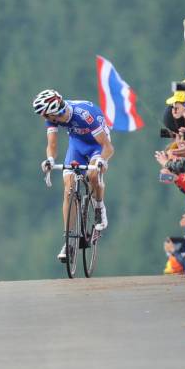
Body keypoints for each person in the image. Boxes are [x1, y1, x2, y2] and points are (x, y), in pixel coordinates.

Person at [33, 89, 114, 261]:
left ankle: (99, 207)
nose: (43, 118)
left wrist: (100, 161)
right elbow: (52, 145)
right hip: (76, 145)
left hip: (97, 145)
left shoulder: (85, 115)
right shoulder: (52, 119)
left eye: (44, 114)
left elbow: (108, 148)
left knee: (92, 175)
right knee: (69, 189)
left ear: (53, 112)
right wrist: (49, 159)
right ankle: (69, 241)